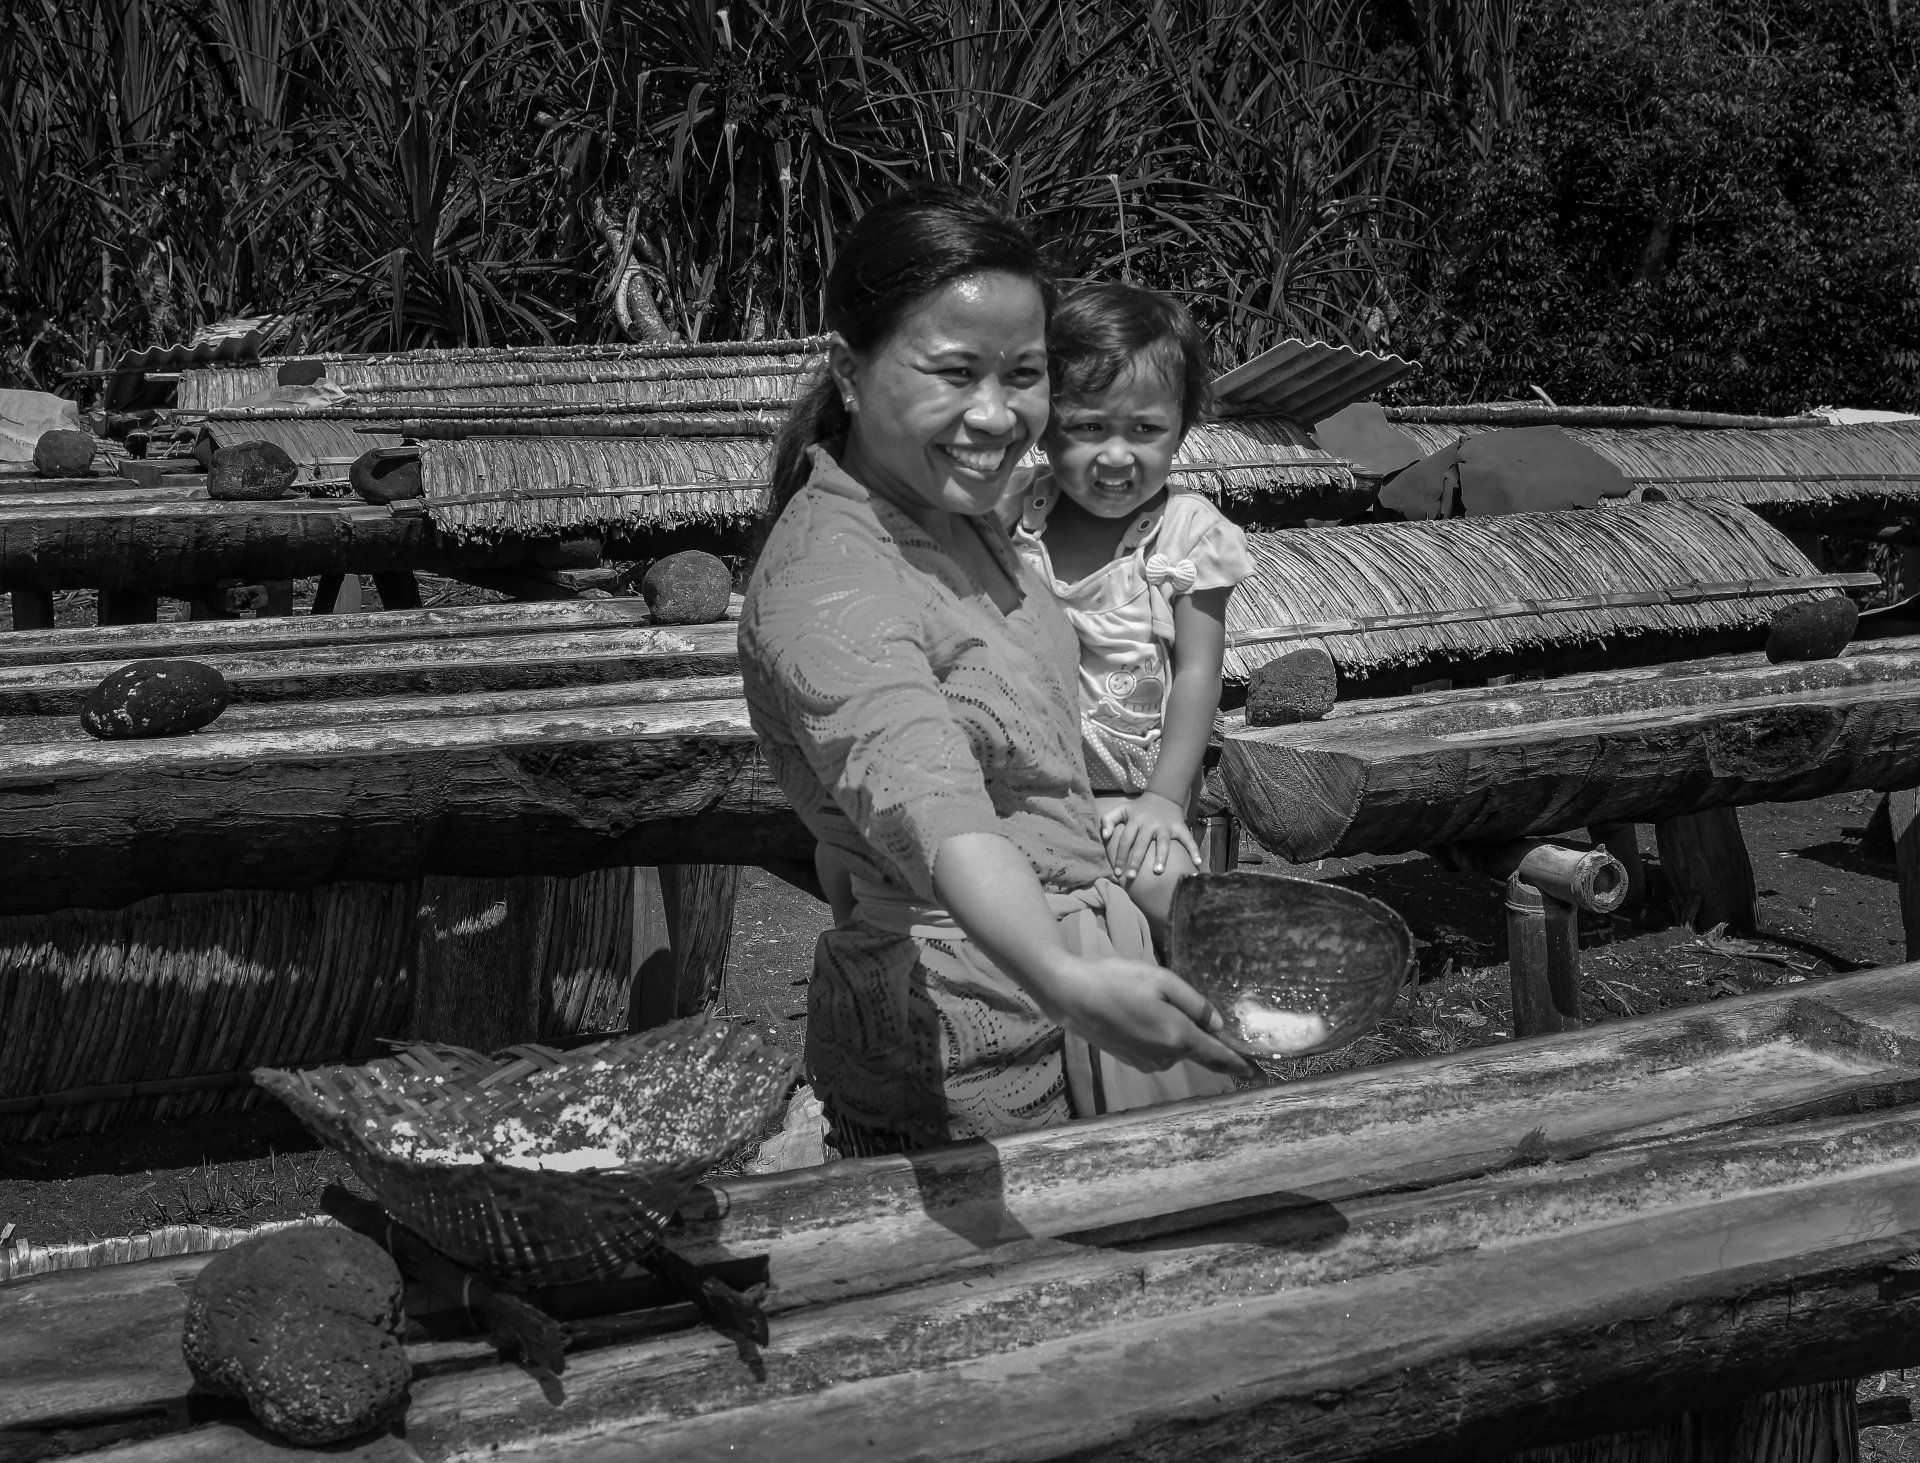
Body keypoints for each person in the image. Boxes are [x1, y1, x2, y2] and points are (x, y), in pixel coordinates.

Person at [740, 184, 1249, 1157]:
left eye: (1023, 374)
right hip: (959, 1033)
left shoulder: (963, 512)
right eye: (955, 372)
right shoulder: (830, 581)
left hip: (1073, 975)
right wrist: (1064, 975)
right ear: (849, 372)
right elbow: (936, 805)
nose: (995, 413)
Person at [1002, 282, 1253, 945]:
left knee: (1175, 901)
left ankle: (1215, 995)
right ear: (1045, 425)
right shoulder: (1011, 510)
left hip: (1131, 796)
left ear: (1180, 430)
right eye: (1088, 427)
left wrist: (1166, 800)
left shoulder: (1187, 533)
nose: (1116, 455)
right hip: (1015, 789)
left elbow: (1198, 672)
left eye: (1145, 429)